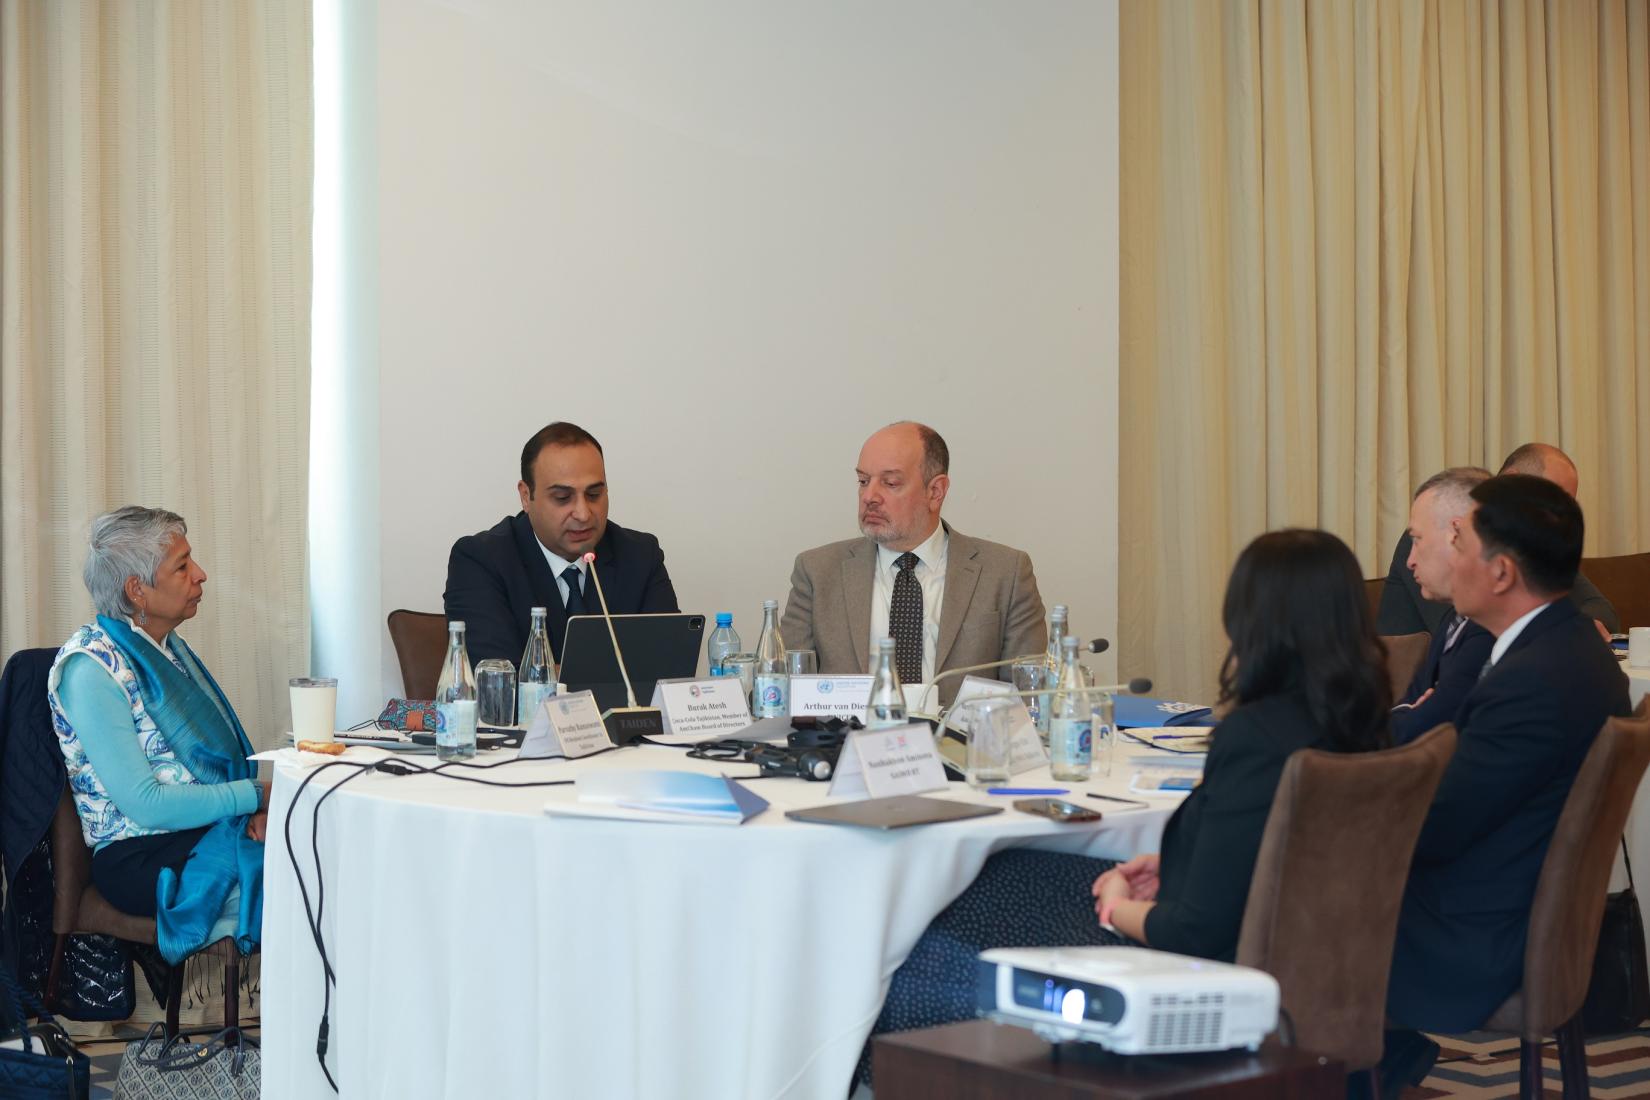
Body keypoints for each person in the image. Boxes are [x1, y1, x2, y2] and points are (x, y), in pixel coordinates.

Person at [860, 529, 1391, 1080]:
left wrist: (1116, 908)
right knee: (1001, 874)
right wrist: (1185, 863)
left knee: (900, 961)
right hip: (1315, 968)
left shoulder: (1254, 738)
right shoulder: (1365, 725)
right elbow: (1285, 853)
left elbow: (1192, 933)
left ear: (1253, 622)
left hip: (1195, 983)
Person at [1384, 475, 1631, 1084]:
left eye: (1461, 545)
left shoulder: (1531, 682)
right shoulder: (1571, 649)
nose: (1445, 559)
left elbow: (1440, 828)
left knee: (1270, 903)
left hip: (1481, 934)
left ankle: (1357, 1069)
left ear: (1499, 573)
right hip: (1517, 907)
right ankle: (1376, 1064)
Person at [45, 507, 266, 961]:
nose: (200, 575)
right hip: (139, 856)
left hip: (199, 829)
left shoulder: (167, 651)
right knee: (302, 871)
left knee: (320, 845)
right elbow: (145, 802)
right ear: (136, 590)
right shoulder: (90, 668)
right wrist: (253, 798)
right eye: (182, 566)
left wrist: (255, 811)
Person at [780, 422, 1045, 707]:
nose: (869, 496)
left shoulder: (1006, 572)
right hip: (846, 746)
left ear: (936, 491)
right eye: (863, 481)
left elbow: (1029, 697)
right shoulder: (817, 572)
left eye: (890, 483)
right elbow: (783, 690)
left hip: (961, 747)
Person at [444, 422, 678, 666]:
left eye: (594, 495)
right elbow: (497, 678)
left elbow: (669, 665)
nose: (583, 514)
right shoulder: (480, 560)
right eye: (563, 498)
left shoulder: (640, 555)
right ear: (526, 496)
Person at [1377, 443, 1619, 635]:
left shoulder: (1531, 540)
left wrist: (1575, 629)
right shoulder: (1430, 538)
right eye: (1551, 497)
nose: (1559, 513)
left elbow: (1601, 608)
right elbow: (1468, 635)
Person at [1389, 467, 1493, 745]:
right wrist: (1413, 712)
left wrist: (1414, 714)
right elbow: (1410, 705)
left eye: (1417, 539)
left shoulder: (1489, 628)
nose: (1410, 560)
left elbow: (1424, 727)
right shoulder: (1453, 619)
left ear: (1457, 535)